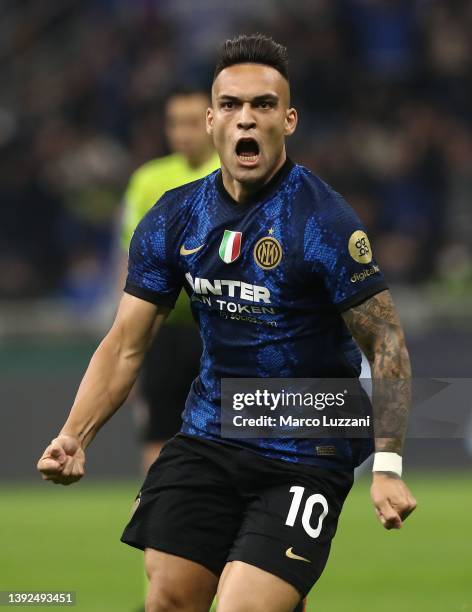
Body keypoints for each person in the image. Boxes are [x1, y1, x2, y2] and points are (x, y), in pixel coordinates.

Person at [38, 35, 417, 612]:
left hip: (307, 447)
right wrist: (74, 434)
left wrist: (387, 466)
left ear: (288, 120)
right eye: (233, 105)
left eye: (264, 105)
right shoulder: (174, 216)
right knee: (168, 596)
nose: (248, 118)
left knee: (246, 607)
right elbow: (125, 344)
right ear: (211, 119)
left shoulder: (324, 222)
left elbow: (386, 341)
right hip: (209, 435)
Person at [120, 88, 219, 472]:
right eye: (175, 123)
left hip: (218, 324)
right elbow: (130, 262)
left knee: (223, 431)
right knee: (158, 431)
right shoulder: (148, 179)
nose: (183, 133)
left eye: (192, 122)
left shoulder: (232, 171)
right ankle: (156, 510)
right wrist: (127, 334)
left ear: (212, 122)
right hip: (161, 325)